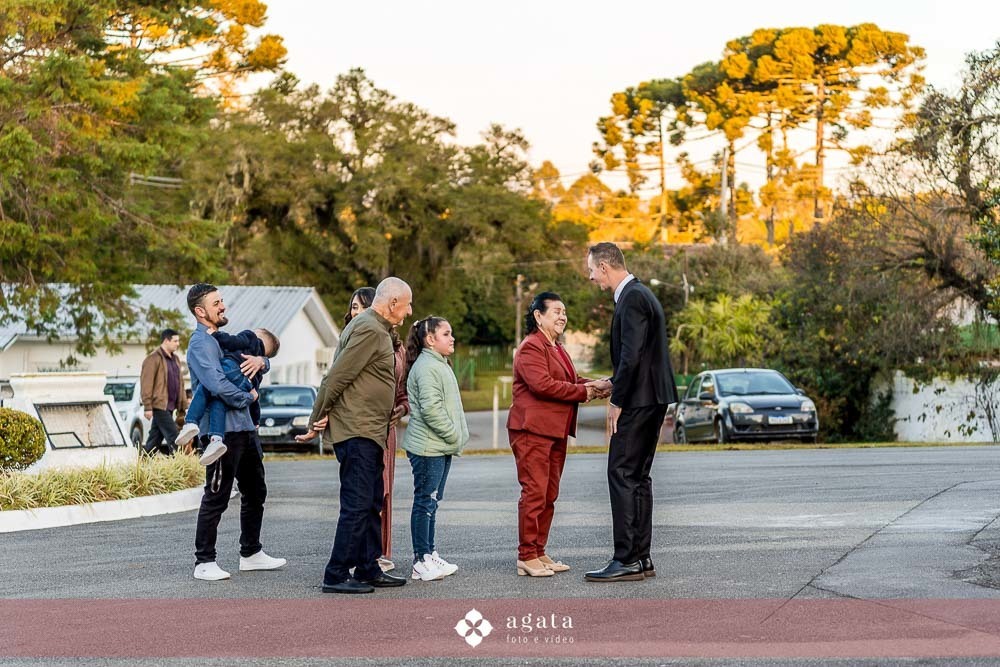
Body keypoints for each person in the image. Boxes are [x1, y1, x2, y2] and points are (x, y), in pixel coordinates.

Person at [296, 277, 413, 594]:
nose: (409, 311)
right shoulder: (368, 328)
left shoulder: (379, 330)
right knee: (357, 504)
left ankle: (367, 567)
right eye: (406, 304)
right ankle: (335, 574)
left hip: (371, 430)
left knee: (373, 501)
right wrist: (315, 419)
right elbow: (336, 376)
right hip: (357, 431)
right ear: (391, 303)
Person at [584, 242, 678, 582]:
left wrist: (617, 398)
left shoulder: (633, 297)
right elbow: (638, 356)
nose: (591, 277)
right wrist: (611, 382)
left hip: (639, 400)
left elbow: (633, 354)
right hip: (649, 396)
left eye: (592, 270)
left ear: (606, 267)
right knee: (637, 477)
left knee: (621, 473)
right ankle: (641, 558)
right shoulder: (640, 294)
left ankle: (626, 558)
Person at [186, 283, 286, 582]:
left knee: (256, 491)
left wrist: (262, 361)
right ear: (200, 311)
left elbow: (257, 356)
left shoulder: (224, 339)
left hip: (245, 428)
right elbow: (217, 384)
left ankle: (251, 553)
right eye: (216, 303)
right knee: (216, 496)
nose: (223, 306)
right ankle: (204, 561)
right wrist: (249, 398)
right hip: (221, 432)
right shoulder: (200, 344)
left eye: (222, 300)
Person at [507, 292, 607, 578]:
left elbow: (571, 381)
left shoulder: (557, 347)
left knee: (549, 493)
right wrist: (584, 391)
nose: (562, 316)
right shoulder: (530, 347)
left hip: (555, 431)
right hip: (532, 431)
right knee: (535, 491)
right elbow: (543, 386)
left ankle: (539, 550)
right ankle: (526, 555)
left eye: (564, 311)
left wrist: (597, 385)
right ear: (538, 316)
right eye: (556, 311)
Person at [343, 287, 410, 573]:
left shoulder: (397, 346)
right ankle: (350, 560)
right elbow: (338, 380)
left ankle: (377, 555)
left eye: (361, 306)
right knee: (357, 497)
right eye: (353, 307)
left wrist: (401, 409)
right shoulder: (356, 337)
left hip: (387, 429)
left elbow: (402, 393)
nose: (355, 312)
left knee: (381, 494)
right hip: (359, 425)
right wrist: (319, 417)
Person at [400, 316, 469, 582]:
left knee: (432, 501)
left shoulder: (437, 363)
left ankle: (429, 554)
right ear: (430, 340)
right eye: (446, 334)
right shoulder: (427, 367)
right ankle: (420, 560)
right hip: (429, 448)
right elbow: (431, 409)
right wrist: (454, 435)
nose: (452, 338)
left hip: (440, 447)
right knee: (425, 502)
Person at [176, 328, 281, 466]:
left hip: (232, 367)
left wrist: (215, 334)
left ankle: (191, 421)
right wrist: (256, 418)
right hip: (245, 382)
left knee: (207, 386)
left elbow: (232, 341)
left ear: (259, 334)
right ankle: (216, 440)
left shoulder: (250, 337)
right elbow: (256, 396)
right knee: (218, 402)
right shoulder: (258, 368)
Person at [139, 329, 189, 456]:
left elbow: (180, 383)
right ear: (166, 341)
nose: (178, 344)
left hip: (171, 406)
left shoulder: (176, 359)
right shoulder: (153, 359)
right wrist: (147, 406)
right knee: (174, 438)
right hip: (159, 406)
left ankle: (142, 465)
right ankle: (180, 467)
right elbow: (146, 383)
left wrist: (183, 405)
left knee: (154, 440)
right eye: (175, 341)